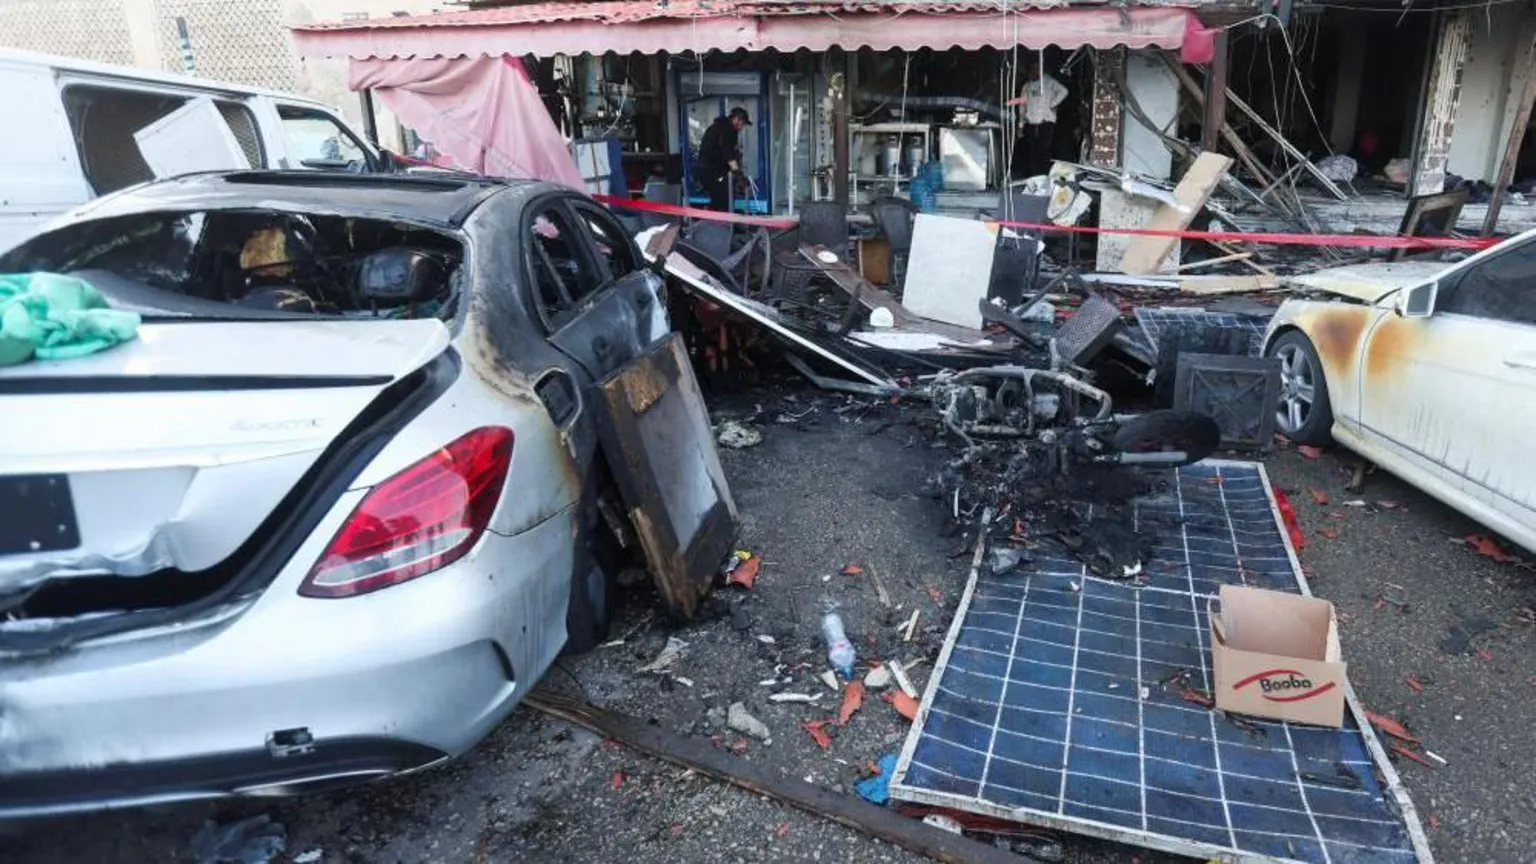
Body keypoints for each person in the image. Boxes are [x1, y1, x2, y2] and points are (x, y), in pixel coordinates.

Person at [1014, 56, 1068, 178]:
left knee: (1045, 150)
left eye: (1037, 69)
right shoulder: (1027, 86)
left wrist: (1053, 103)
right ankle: (1034, 176)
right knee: (1032, 150)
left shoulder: (1049, 81)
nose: (1034, 71)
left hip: (1046, 121)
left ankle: (1044, 175)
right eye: (1032, 69)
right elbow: (1022, 107)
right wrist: (1020, 126)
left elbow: (1064, 91)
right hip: (1031, 122)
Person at [698, 107, 751, 212]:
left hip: (706, 170)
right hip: (712, 171)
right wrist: (738, 175)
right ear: (736, 119)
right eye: (743, 123)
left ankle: (712, 218)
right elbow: (728, 155)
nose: (742, 127)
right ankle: (718, 224)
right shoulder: (728, 130)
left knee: (719, 200)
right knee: (723, 202)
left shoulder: (719, 127)